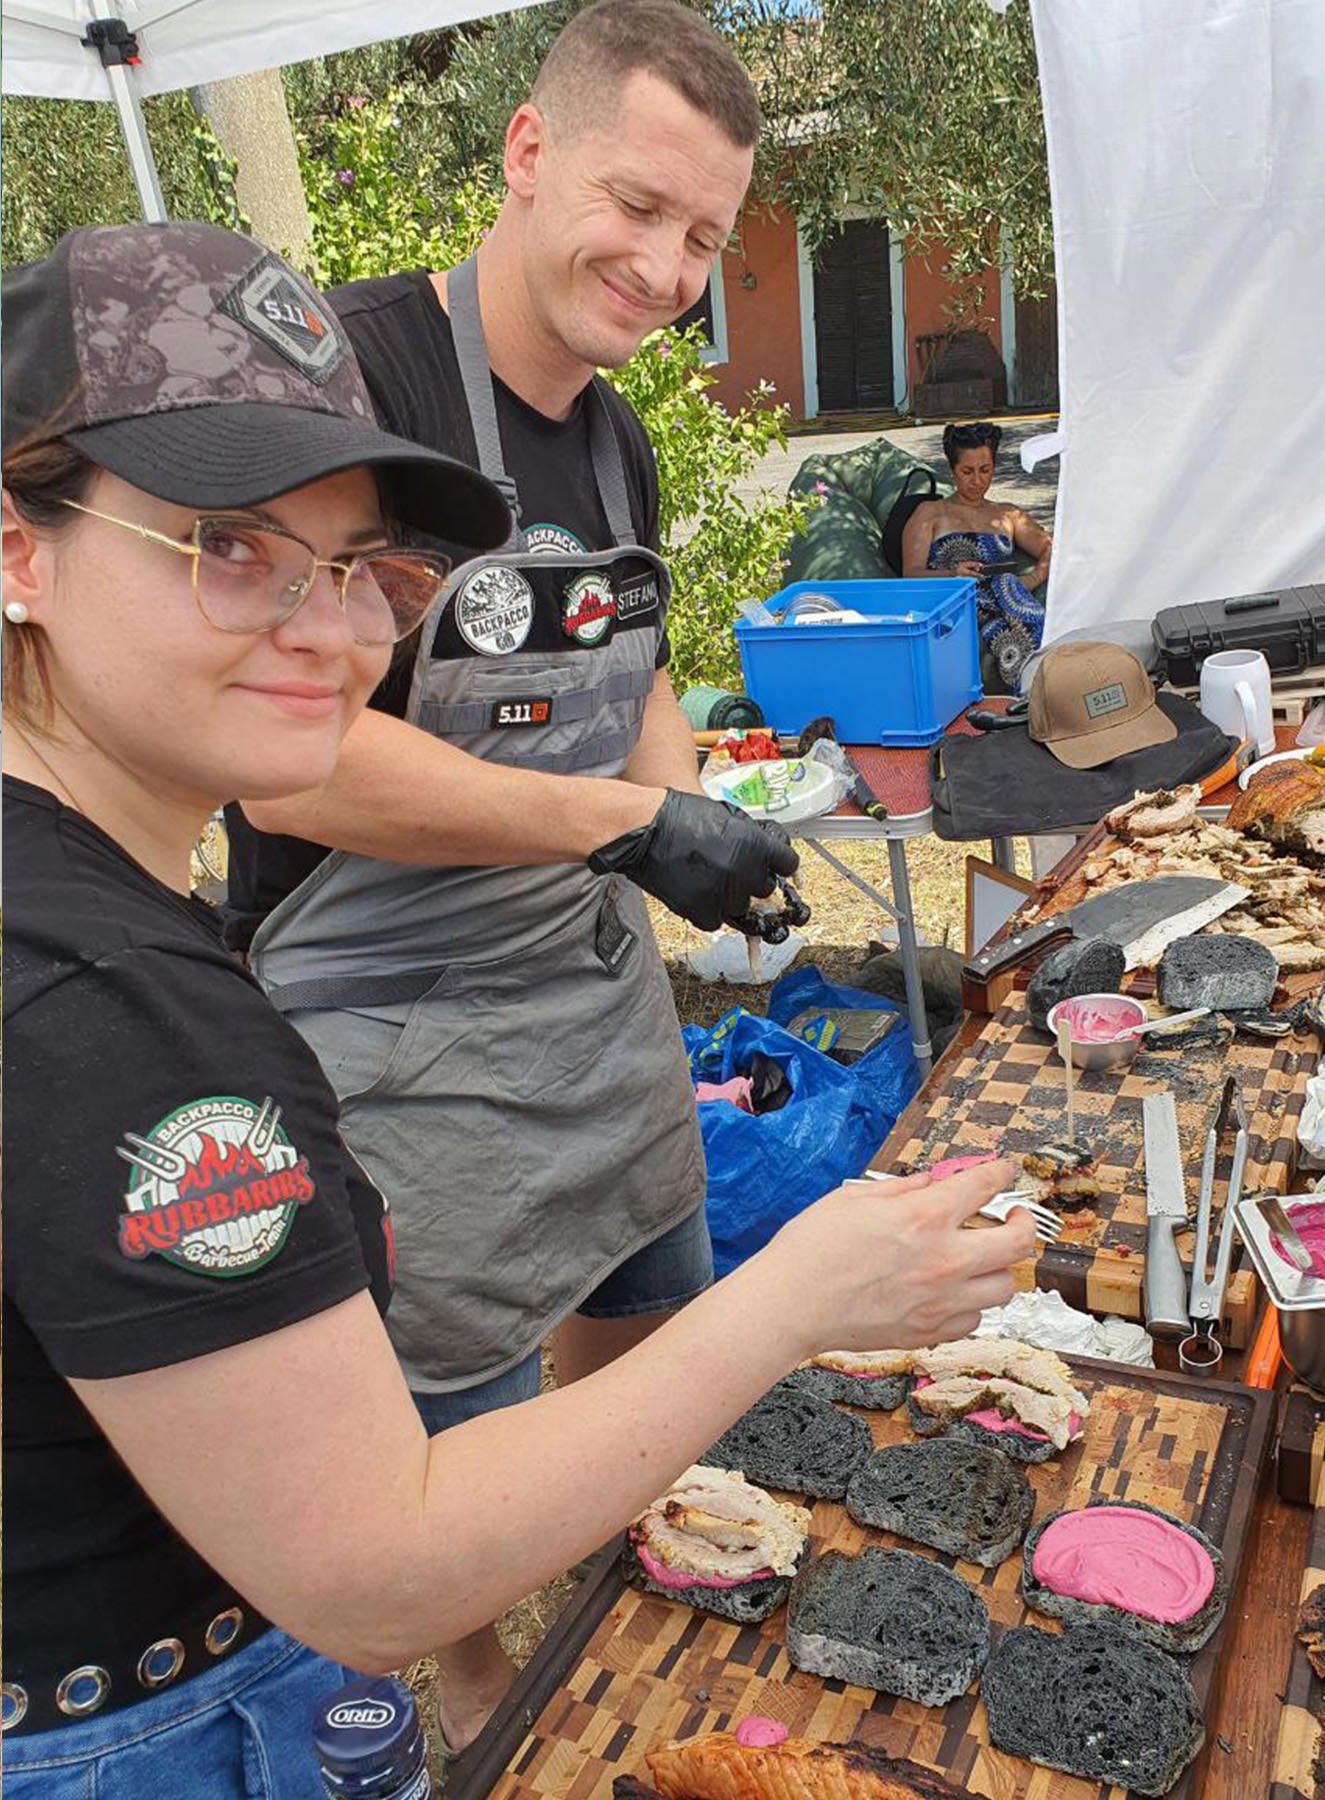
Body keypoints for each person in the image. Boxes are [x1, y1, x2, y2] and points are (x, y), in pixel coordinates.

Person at [1, 220, 1035, 1799]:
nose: (337, 632)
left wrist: (679, 815)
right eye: (228, 546)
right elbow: (383, 1570)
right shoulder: (126, 1022)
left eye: (366, 571)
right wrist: (800, 1294)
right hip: (145, 1732)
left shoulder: (84, 902)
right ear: (20, 546)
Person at [221, 0, 795, 1756]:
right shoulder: (355, 382)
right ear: (527, 153)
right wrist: (624, 833)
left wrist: (696, 811)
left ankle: (617, 1584)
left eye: (703, 236)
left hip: (580, 974)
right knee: (444, 1421)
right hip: (384, 1003)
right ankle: (472, 1689)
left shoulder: (611, 432)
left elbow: (640, 686)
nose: (668, 266)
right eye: (638, 206)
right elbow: (300, 747)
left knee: (652, 1302)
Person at [901, 420, 1053, 695]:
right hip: (956, 604)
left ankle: (1043, 687)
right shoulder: (930, 513)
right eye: (967, 471)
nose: (978, 480)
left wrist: (1033, 577)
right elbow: (910, 574)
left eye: (985, 470)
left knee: (1006, 591)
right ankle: (1036, 690)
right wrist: (953, 574)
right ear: (952, 471)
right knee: (1006, 618)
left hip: (1006, 601)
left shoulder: (1007, 514)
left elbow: (1050, 546)